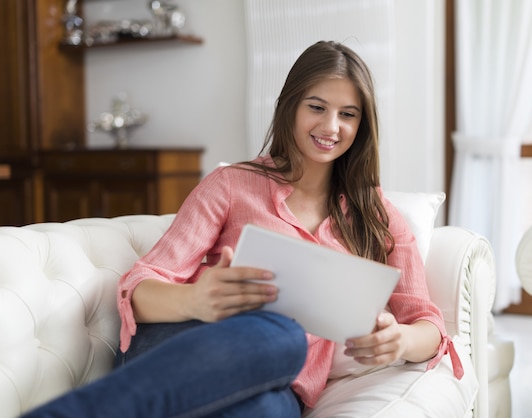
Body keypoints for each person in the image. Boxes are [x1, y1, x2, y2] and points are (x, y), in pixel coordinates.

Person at [22, 40, 462, 418]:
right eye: (316, 107)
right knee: (284, 333)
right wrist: (195, 298)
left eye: (348, 114)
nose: (331, 127)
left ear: (362, 126)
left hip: (281, 384)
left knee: (270, 409)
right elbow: (140, 287)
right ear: (289, 107)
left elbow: (427, 323)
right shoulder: (232, 185)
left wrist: (401, 341)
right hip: (180, 345)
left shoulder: (378, 217)